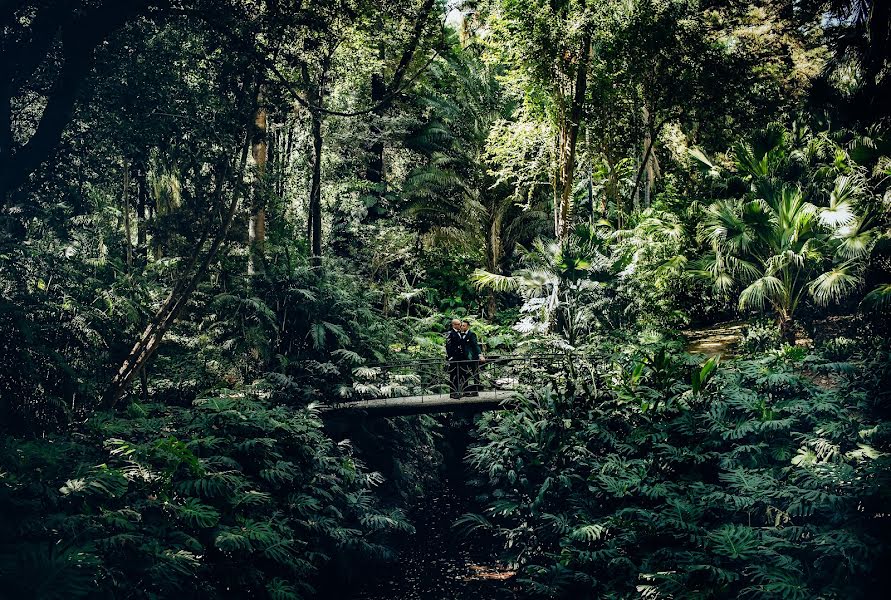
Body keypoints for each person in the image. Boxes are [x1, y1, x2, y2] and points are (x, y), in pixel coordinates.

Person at [460, 319, 484, 396]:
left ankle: (475, 391)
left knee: (475, 373)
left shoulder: (472, 334)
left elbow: (475, 345)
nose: (462, 327)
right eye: (462, 326)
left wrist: (480, 355)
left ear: (468, 326)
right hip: (464, 358)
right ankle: (465, 391)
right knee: (464, 374)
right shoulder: (460, 334)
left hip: (473, 357)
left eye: (464, 326)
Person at [445, 318, 466, 398]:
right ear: (453, 325)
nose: (460, 326)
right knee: (453, 375)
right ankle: (453, 393)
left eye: (460, 324)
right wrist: (451, 357)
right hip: (454, 359)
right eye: (458, 324)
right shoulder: (450, 333)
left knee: (459, 375)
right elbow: (448, 346)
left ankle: (458, 391)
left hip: (460, 358)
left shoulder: (459, 333)